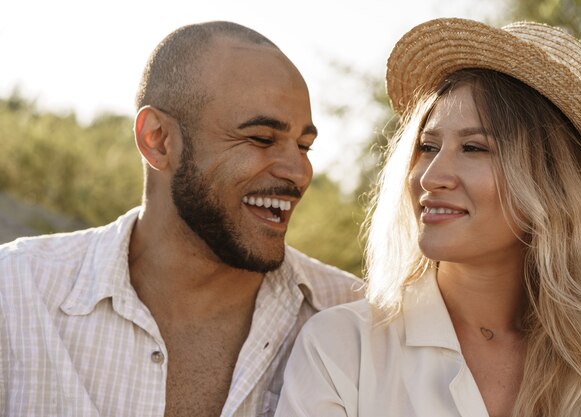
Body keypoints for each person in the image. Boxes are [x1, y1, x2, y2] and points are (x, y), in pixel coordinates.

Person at [0, 21, 362, 417]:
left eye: (304, 146)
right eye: (261, 138)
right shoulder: (14, 293)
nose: (299, 172)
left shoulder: (356, 322)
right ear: (158, 139)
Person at [275, 17, 581, 417]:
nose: (430, 176)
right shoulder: (344, 346)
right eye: (428, 146)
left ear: (552, 179)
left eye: (474, 148)